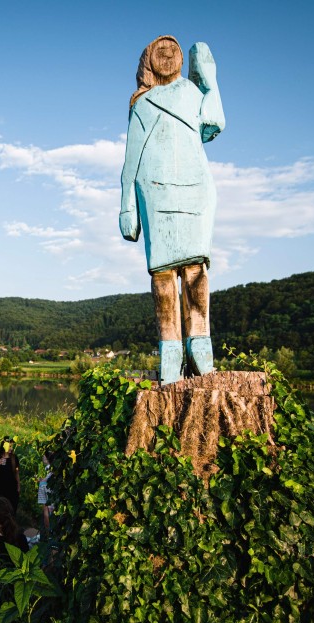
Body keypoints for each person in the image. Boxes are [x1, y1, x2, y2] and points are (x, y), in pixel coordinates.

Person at [119, 36, 225, 383]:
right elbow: (130, 161)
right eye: (158, 50)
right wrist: (127, 207)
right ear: (148, 61)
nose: (167, 54)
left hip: (196, 188)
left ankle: (200, 341)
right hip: (155, 192)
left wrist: (207, 75)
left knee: (196, 271)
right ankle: (170, 348)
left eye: (172, 49)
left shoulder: (194, 95)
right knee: (163, 276)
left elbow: (214, 123)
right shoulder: (143, 104)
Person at [0, 436, 21, 514]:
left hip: (12, 491)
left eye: (12, 446)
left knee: (11, 513)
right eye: (9, 446)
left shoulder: (14, 458)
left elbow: (17, 472)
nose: (11, 448)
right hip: (0, 491)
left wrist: (18, 487)